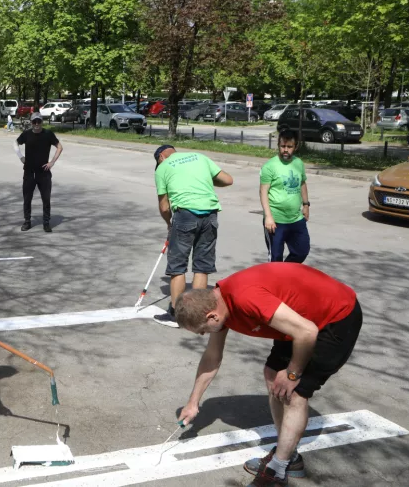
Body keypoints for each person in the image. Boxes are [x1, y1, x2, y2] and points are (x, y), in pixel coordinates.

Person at [174, 263, 362, 486]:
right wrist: (193, 402)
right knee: (273, 375)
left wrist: (293, 374)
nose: (203, 335)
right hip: (299, 319)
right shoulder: (218, 303)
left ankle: (278, 470)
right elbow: (212, 357)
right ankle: (288, 455)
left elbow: (307, 331)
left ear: (212, 316)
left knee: (294, 394)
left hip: (335, 318)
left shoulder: (245, 300)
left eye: (202, 330)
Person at [154, 145, 233, 327]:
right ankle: (197, 314)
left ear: (161, 158)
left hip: (185, 214)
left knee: (177, 266)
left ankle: (175, 314)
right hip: (210, 214)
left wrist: (169, 224)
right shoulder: (199, 157)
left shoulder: (163, 168)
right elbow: (228, 180)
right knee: (201, 266)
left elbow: (164, 206)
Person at [260, 130, 310, 263]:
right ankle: (276, 280)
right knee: (276, 258)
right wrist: (268, 217)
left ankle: (285, 273)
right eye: (283, 146)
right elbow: (263, 192)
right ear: (278, 145)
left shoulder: (298, 163)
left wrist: (306, 205)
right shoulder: (270, 166)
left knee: (302, 251)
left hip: (295, 219)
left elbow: (302, 184)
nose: (285, 150)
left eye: (289, 147)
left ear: (295, 147)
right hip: (276, 221)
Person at [14, 113, 63, 232]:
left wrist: (52, 162)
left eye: (38, 122)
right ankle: (27, 221)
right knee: (27, 198)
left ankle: (46, 222)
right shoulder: (26, 134)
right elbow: (15, 143)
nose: (36, 124)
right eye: (34, 122)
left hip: (43, 173)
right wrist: (20, 156)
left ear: (42, 122)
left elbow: (60, 147)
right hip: (29, 172)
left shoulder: (48, 134)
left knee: (46, 198)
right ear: (31, 122)